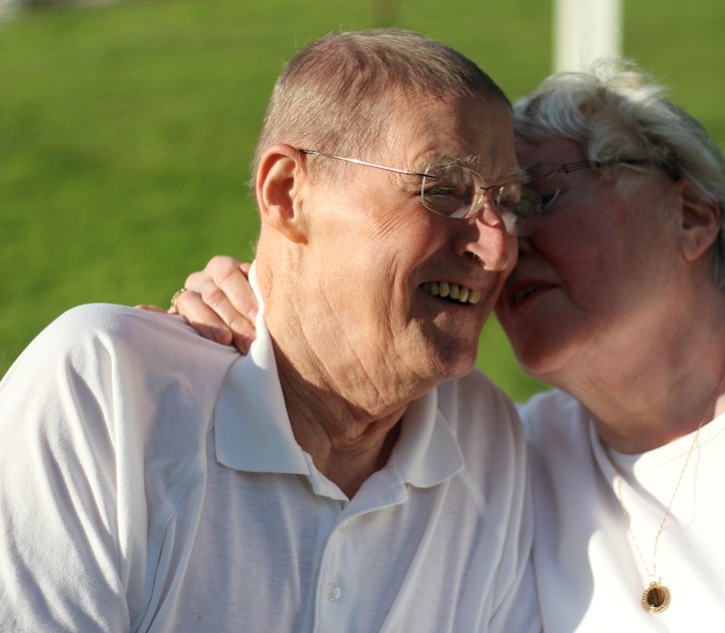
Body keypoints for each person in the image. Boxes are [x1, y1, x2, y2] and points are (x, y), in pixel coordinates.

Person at [172, 59, 725, 631]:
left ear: (689, 217)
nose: (498, 244)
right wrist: (242, 304)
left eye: (534, 196)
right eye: (483, 204)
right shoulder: (509, 458)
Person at [0, 29, 542, 632]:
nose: (497, 247)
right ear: (287, 194)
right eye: (444, 190)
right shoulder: (109, 394)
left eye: (509, 200)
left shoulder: (487, 445)